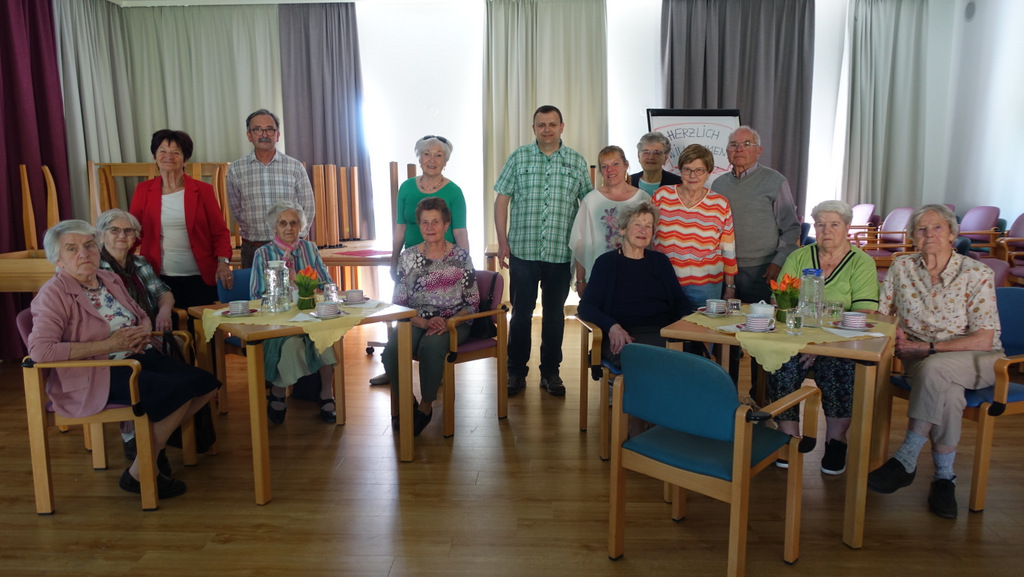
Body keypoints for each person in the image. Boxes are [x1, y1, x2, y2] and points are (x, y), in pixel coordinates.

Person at [27, 220, 219, 499]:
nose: (84, 253)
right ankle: (141, 471)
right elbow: (41, 351)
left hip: (136, 357)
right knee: (176, 393)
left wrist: (143, 329)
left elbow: (139, 313)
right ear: (58, 259)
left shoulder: (108, 279)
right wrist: (109, 344)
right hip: (97, 370)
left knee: (205, 384)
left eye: (89, 245)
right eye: (72, 249)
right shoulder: (53, 294)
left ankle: (147, 455)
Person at [867, 204, 1003, 519]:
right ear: (913, 236)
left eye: (938, 227)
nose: (929, 234)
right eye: (921, 229)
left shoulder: (977, 274)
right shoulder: (902, 267)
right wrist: (892, 329)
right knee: (949, 395)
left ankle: (907, 458)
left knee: (935, 367)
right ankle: (944, 478)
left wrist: (924, 348)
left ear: (953, 234)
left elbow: (984, 339)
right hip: (920, 360)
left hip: (978, 359)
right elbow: (882, 314)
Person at [766, 200, 879, 475]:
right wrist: (805, 341)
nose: (826, 230)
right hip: (797, 337)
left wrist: (821, 345)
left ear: (847, 227)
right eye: (820, 224)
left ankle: (836, 440)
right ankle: (789, 437)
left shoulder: (861, 262)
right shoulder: (799, 257)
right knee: (781, 361)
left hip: (841, 341)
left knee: (838, 365)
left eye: (834, 224)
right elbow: (780, 301)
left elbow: (864, 313)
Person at [494, 104, 592, 397]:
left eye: (552, 124)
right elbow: (501, 200)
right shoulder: (519, 157)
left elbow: (588, 207)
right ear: (533, 128)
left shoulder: (576, 161)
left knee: (554, 316)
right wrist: (502, 242)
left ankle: (550, 372)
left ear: (562, 127)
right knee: (521, 314)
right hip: (523, 250)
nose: (546, 130)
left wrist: (584, 253)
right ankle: (515, 371)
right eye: (541, 125)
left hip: (560, 253)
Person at [372, 135, 470, 387]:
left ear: (445, 161)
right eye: (427, 154)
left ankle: (432, 373)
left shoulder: (454, 192)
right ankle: (395, 368)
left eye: (438, 155)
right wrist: (394, 258)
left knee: (434, 321)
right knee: (404, 309)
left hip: (444, 262)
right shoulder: (406, 188)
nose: (432, 159)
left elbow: (460, 232)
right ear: (419, 158)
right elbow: (400, 227)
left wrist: (464, 265)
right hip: (412, 263)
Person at [382, 197, 479, 436]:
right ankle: (407, 402)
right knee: (392, 351)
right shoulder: (407, 257)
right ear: (419, 225)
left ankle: (425, 407)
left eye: (435, 222)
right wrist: (422, 322)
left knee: (431, 346)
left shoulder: (461, 257)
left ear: (446, 225)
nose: (430, 227)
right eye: (424, 222)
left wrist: (449, 322)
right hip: (415, 319)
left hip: (453, 322)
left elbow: (473, 302)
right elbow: (399, 303)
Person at [97, 208, 176, 461]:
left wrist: (164, 311)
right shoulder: (95, 267)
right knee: (141, 367)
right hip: (114, 338)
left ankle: (160, 427)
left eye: (128, 231)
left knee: (175, 354)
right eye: (114, 230)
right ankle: (133, 436)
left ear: (135, 237)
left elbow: (163, 292)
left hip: (149, 330)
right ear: (102, 235)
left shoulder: (140, 263)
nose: (122, 235)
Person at [250, 201, 338, 424]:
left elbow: (326, 282)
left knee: (325, 340)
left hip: (311, 316)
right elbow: (256, 295)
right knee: (291, 345)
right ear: (274, 227)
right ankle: (278, 391)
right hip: (278, 321)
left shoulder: (309, 249)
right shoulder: (263, 253)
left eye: (293, 223)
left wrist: (313, 288)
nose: (288, 228)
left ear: (301, 226)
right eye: (283, 223)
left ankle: (326, 393)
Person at [577, 200, 692, 368]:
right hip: (623, 336)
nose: (643, 231)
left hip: (662, 334)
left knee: (692, 359)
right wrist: (612, 327)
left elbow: (680, 301)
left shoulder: (661, 262)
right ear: (623, 229)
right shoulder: (606, 263)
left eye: (648, 226)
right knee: (650, 363)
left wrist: (684, 319)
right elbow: (586, 307)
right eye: (637, 224)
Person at [129, 129, 234, 310]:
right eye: (162, 151)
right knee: (166, 325)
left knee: (201, 325)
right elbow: (133, 232)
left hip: (200, 276)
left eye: (175, 152)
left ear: (185, 160)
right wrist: (119, 262)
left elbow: (220, 232)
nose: (168, 156)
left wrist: (223, 263)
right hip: (158, 278)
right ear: (155, 157)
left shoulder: (203, 191)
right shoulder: (143, 190)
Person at [709, 126, 800, 304]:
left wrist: (779, 261)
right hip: (723, 269)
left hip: (763, 269)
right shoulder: (718, 185)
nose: (739, 149)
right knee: (723, 319)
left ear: (758, 151)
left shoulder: (775, 181)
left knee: (759, 319)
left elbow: (791, 228)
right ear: (727, 151)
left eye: (746, 144)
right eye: (733, 144)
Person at [227, 109, 316, 268]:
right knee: (255, 285)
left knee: (296, 285)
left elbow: (307, 207)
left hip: (290, 249)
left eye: (269, 129)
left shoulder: (295, 167)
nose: (264, 134)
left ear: (277, 135)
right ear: (249, 135)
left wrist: (296, 237)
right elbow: (237, 210)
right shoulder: (236, 169)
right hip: (253, 248)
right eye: (258, 129)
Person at [652, 143, 738, 305]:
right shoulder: (662, 196)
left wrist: (730, 286)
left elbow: (728, 249)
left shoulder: (720, 203)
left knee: (701, 322)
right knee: (663, 321)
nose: (693, 175)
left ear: (709, 173)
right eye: (687, 169)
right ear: (680, 170)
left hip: (705, 286)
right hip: (664, 281)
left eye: (699, 170)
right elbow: (647, 238)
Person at [568, 145, 646, 293]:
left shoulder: (642, 199)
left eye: (615, 164)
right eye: (605, 166)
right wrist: (580, 280)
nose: (610, 170)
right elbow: (580, 243)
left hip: (636, 276)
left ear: (626, 165)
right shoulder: (591, 200)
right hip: (599, 278)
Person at [630, 131, 682, 196]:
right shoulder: (627, 182)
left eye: (657, 153)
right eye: (646, 152)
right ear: (638, 156)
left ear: (665, 157)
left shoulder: (678, 184)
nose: (651, 157)